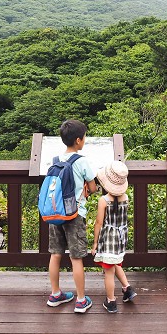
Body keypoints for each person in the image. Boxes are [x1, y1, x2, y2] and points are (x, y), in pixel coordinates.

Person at [46, 119, 97, 313]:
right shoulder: (81, 161)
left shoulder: (55, 160)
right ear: (78, 140)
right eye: (84, 137)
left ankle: (55, 294)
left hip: (56, 213)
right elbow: (92, 187)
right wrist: (87, 189)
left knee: (56, 254)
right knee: (76, 258)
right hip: (74, 214)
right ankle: (81, 300)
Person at [92, 160, 136, 313]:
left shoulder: (103, 201)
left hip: (109, 238)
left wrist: (95, 244)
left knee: (108, 270)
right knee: (115, 263)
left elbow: (98, 223)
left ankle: (111, 301)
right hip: (121, 237)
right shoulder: (126, 198)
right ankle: (127, 289)